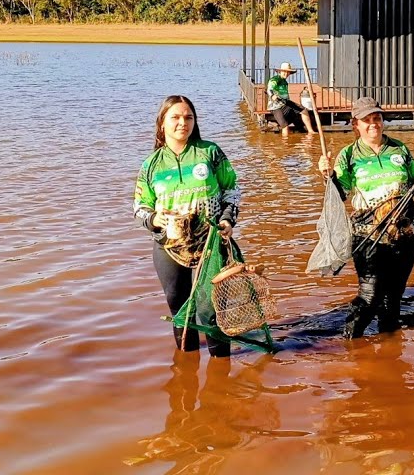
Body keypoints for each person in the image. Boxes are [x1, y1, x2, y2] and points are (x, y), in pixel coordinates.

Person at [318, 96, 414, 338]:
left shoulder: (399, 148)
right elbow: (338, 194)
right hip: (368, 234)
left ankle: (389, 350)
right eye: (367, 120)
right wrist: (326, 175)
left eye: (377, 118)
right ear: (356, 125)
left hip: (405, 232)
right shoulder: (348, 155)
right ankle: (350, 340)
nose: (373, 124)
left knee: (394, 297)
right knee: (370, 296)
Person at [134, 95, 240, 356]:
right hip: (169, 245)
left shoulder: (210, 152)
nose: (183, 123)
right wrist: (154, 219)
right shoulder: (151, 165)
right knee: (178, 306)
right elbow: (139, 206)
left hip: (211, 242)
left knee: (212, 307)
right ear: (162, 124)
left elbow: (232, 191)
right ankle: (187, 369)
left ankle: (220, 367)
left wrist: (227, 220)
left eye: (188, 117)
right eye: (176, 117)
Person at [266, 62, 315, 137]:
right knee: (285, 127)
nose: (286, 74)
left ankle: (310, 131)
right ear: (280, 71)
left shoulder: (285, 82)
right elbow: (269, 89)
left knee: (304, 110)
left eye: (288, 72)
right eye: (284, 72)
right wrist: (272, 95)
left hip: (285, 103)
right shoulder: (275, 79)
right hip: (275, 106)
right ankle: (285, 145)